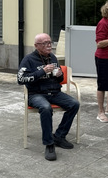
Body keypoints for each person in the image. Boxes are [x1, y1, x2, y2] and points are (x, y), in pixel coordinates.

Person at [17, 33, 79, 161]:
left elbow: (59, 79)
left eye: (50, 42)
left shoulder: (53, 57)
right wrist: (42, 71)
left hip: (54, 92)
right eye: (45, 43)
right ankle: (49, 144)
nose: (49, 45)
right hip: (36, 94)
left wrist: (60, 75)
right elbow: (20, 79)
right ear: (36, 46)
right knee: (46, 108)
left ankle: (59, 136)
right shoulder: (28, 60)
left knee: (74, 104)